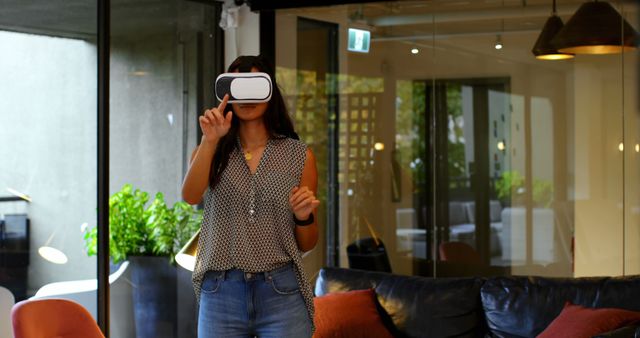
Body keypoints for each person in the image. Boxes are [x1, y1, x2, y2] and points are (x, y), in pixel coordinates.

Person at [181, 55, 319, 338]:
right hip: (221, 291)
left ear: (270, 91)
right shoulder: (210, 151)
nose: (246, 96)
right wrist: (210, 140)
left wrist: (303, 217)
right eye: (238, 87)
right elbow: (190, 196)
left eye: (255, 85)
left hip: (281, 290)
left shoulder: (299, 155)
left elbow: (307, 243)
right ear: (227, 94)